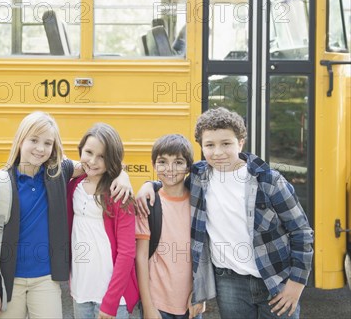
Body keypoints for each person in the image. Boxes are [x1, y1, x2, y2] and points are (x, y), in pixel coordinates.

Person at [137, 107, 313, 319]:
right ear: (202, 147)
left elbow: (301, 231)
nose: (218, 152)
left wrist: (297, 283)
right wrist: (150, 185)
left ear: (240, 142)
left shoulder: (269, 181)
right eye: (210, 145)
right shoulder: (199, 177)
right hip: (228, 281)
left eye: (226, 143)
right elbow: (171, 178)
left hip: (275, 278)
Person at [0, 111, 133, 318]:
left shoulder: (59, 173)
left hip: (46, 280)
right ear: (20, 139)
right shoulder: (0, 184)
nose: (40, 148)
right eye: (34, 140)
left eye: (48, 143)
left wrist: (123, 174)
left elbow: (98, 165)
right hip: (9, 281)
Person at [67, 123, 139, 319]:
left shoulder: (118, 193)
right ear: (81, 150)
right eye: (88, 152)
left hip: (112, 296)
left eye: (102, 157)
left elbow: (126, 252)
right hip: (81, 290)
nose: (92, 161)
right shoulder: (73, 185)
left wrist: (110, 303)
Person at [135, 134, 203, 319]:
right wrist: (148, 305)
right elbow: (140, 257)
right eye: (163, 161)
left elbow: (205, 252)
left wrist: (201, 294)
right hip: (157, 304)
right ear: (153, 165)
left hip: (192, 302)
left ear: (189, 166)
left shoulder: (198, 203)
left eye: (179, 162)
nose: (170, 169)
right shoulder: (148, 203)